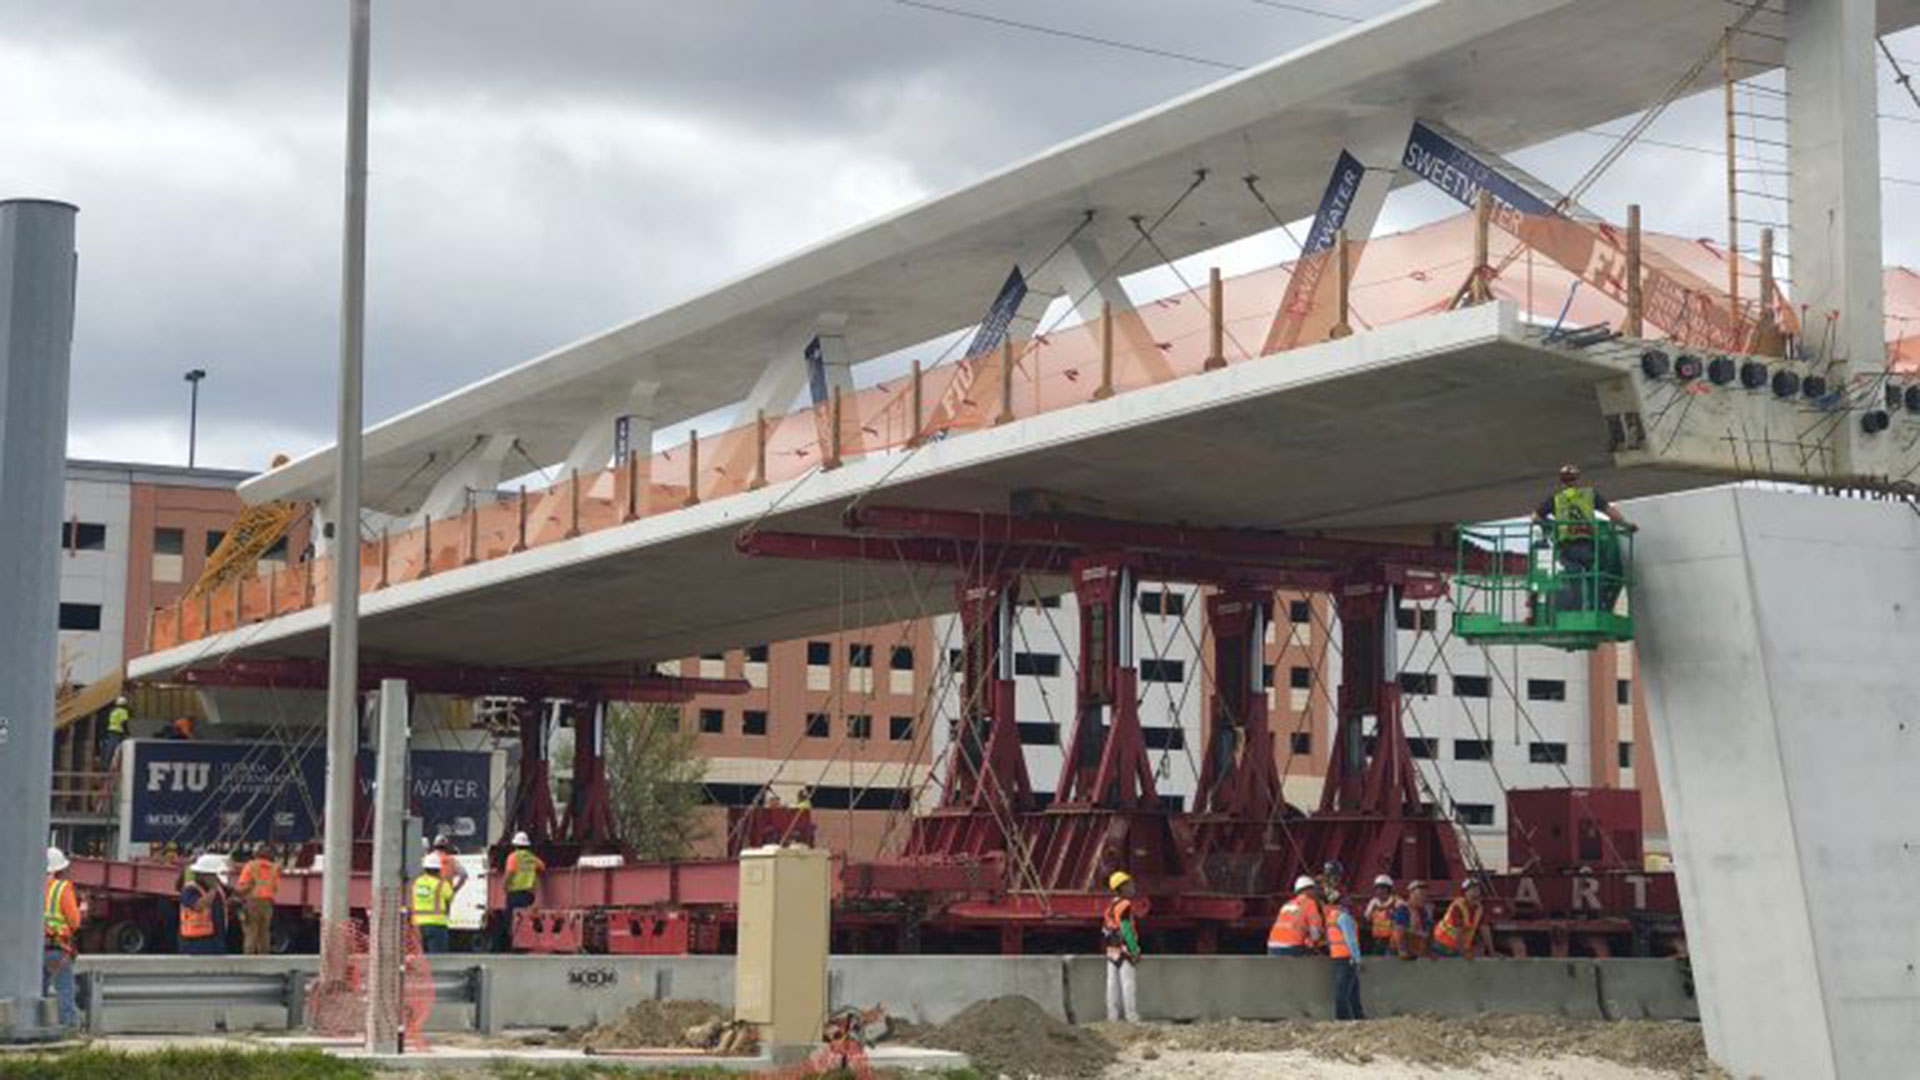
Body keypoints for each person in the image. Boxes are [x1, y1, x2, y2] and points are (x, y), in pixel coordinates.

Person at [1535, 464, 1634, 610]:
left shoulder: (1556, 499)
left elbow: (1535, 517)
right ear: (1577, 480)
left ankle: (1577, 608)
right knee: (1595, 575)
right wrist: (1626, 525)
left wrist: (1552, 526)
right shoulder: (1589, 494)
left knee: (1574, 580)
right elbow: (1610, 512)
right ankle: (1596, 606)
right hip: (1587, 545)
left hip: (1567, 547)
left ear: (1561, 481)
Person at [44, 847, 82, 1028]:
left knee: (37, 993)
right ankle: (69, 1029)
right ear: (59, 869)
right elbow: (74, 921)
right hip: (56, 948)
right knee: (65, 991)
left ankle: (39, 1027)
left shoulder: (30, 885)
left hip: (33, 950)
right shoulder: (62, 888)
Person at [1101, 872, 1142, 1023]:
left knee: (1111, 984)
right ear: (1122, 887)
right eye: (1129, 884)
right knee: (1128, 984)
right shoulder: (1125, 905)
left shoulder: (1111, 906)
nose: (1133, 887)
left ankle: (1112, 1017)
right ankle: (1131, 1017)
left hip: (1111, 949)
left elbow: (1106, 928)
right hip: (1124, 948)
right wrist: (1134, 949)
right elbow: (1126, 929)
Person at [499, 831, 545, 952]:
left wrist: (504, 887)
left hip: (515, 893)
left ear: (515, 845)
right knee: (525, 919)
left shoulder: (513, 857)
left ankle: (511, 946)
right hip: (529, 894)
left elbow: (509, 874)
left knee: (510, 920)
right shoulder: (532, 858)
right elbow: (542, 867)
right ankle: (524, 943)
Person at [1324, 890, 1365, 1021]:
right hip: (1347, 958)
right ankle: (1343, 1019)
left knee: (1352, 991)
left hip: (1337, 957)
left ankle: (1359, 1016)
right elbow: (1351, 940)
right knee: (1344, 993)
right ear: (1341, 901)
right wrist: (1358, 959)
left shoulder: (1331, 917)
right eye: (1346, 898)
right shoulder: (1344, 917)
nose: (1349, 900)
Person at [178, 853, 229, 955]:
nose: (216, 878)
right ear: (203, 874)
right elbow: (198, 906)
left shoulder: (217, 888)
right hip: (195, 941)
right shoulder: (190, 889)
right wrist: (213, 889)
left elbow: (230, 896)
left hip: (216, 938)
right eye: (213, 875)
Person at [235, 845, 281, 956]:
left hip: (252, 902)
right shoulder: (275, 868)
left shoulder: (250, 867)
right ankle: (264, 959)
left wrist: (237, 892)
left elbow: (242, 886)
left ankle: (249, 961)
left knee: (251, 933)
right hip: (267, 904)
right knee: (264, 934)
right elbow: (276, 888)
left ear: (255, 854)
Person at [1432, 879, 1495, 959]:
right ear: (1465, 893)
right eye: (1473, 890)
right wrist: (1462, 953)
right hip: (1442, 944)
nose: (1476, 893)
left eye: (1478, 890)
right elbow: (1458, 930)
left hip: (1456, 946)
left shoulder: (1479, 908)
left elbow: (1485, 929)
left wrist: (1492, 952)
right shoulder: (1457, 907)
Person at [1266, 874, 1327, 956]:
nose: (1316, 893)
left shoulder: (1287, 904)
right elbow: (1315, 934)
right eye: (1314, 890)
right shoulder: (1310, 903)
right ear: (1309, 890)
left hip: (1272, 947)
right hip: (1291, 948)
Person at [411, 852, 456, 954]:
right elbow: (450, 897)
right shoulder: (441, 884)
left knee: (420, 957)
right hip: (437, 924)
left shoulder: (416, 882)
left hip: (418, 925)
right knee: (438, 959)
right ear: (438, 869)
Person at [1362, 874, 1402, 956]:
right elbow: (1366, 918)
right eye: (1378, 888)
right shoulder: (1373, 903)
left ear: (1389, 890)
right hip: (1377, 940)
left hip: (1391, 942)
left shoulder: (1397, 903)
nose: (1380, 891)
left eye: (1383, 888)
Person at [1395, 880, 1434, 959]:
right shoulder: (1403, 910)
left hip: (1418, 952)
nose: (1424, 898)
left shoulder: (1424, 913)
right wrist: (1402, 951)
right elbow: (1399, 932)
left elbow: (1428, 932)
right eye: (1421, 894)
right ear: (1411, 895)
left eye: (1425, 895)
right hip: (1404, 954)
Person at [103, 695, 132, 762]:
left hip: (111, 730)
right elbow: (124, 723)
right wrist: (127, 732)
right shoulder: (123, 711)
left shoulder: (113, 710)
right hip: (118, 731)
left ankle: (106, 762)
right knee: (119, 748)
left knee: (110, 748)